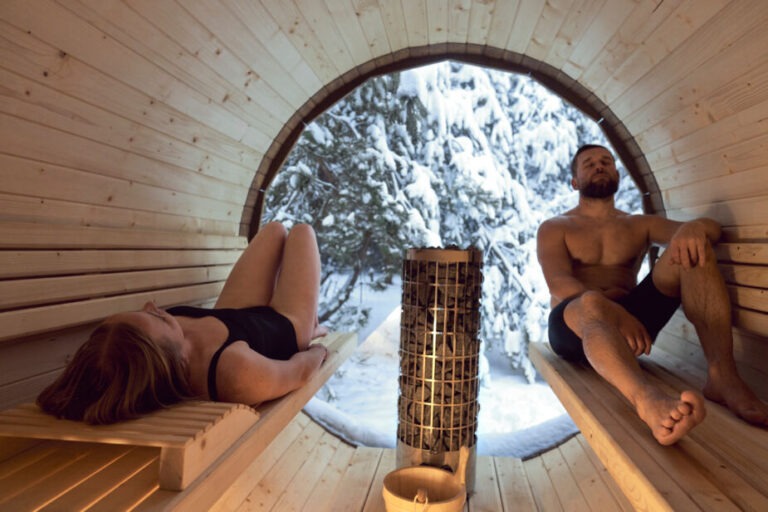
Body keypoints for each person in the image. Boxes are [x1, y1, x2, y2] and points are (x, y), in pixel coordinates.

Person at [537, 144, 768, 445]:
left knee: (690, 249)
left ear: (617, 174)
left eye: (606, 161)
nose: (599, 165)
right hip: (574, 326)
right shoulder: (556, 227)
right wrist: (613, 312)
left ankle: (723, 377)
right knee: (592, 302)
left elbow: (710, 229)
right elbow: (558, 283)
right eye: (589, 163)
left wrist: (693, 228)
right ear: (575, 182)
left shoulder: (638, 224)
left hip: (631, 324)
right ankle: (647, 401)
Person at [37, 222, 330, 424]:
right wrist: (317, 348)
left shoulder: (151, 345)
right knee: (302, 232)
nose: (153, 306)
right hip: (285, 325)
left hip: (233, 314)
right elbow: (298, 372)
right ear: (178, 358)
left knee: (275, 230)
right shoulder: (234, 374)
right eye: (157, 317)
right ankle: (307, 323)